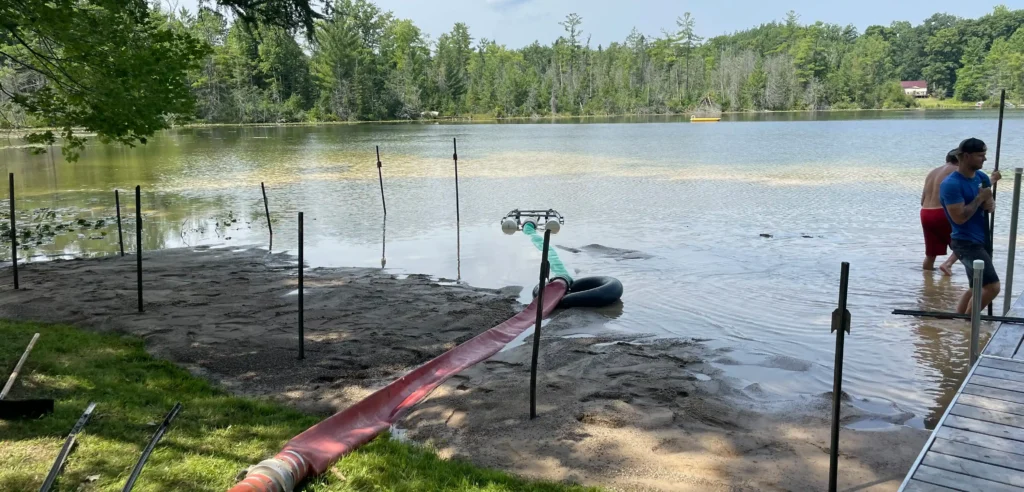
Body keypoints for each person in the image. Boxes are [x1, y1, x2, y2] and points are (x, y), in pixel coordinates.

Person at [940, 137, 1002, 314]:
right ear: (966, 156)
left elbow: (988, 205)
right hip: (965, 243)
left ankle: (958, 321)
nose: (984, 159)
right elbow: (959, 218)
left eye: (985, 155)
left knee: (975, 288)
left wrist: (989, 202)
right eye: (980, 155)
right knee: (992, 287)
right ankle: (970, 325)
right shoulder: (951, 184)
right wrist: (979, 199)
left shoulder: (981, 177)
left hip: (982, 238)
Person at [921, 149, 960, 275]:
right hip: (942, 212)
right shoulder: (957, 171)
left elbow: (922, 200)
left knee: (931, 254)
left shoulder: (933, 172)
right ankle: (947, 264)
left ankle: (926, 280)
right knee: (964, 243)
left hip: (926, 212)